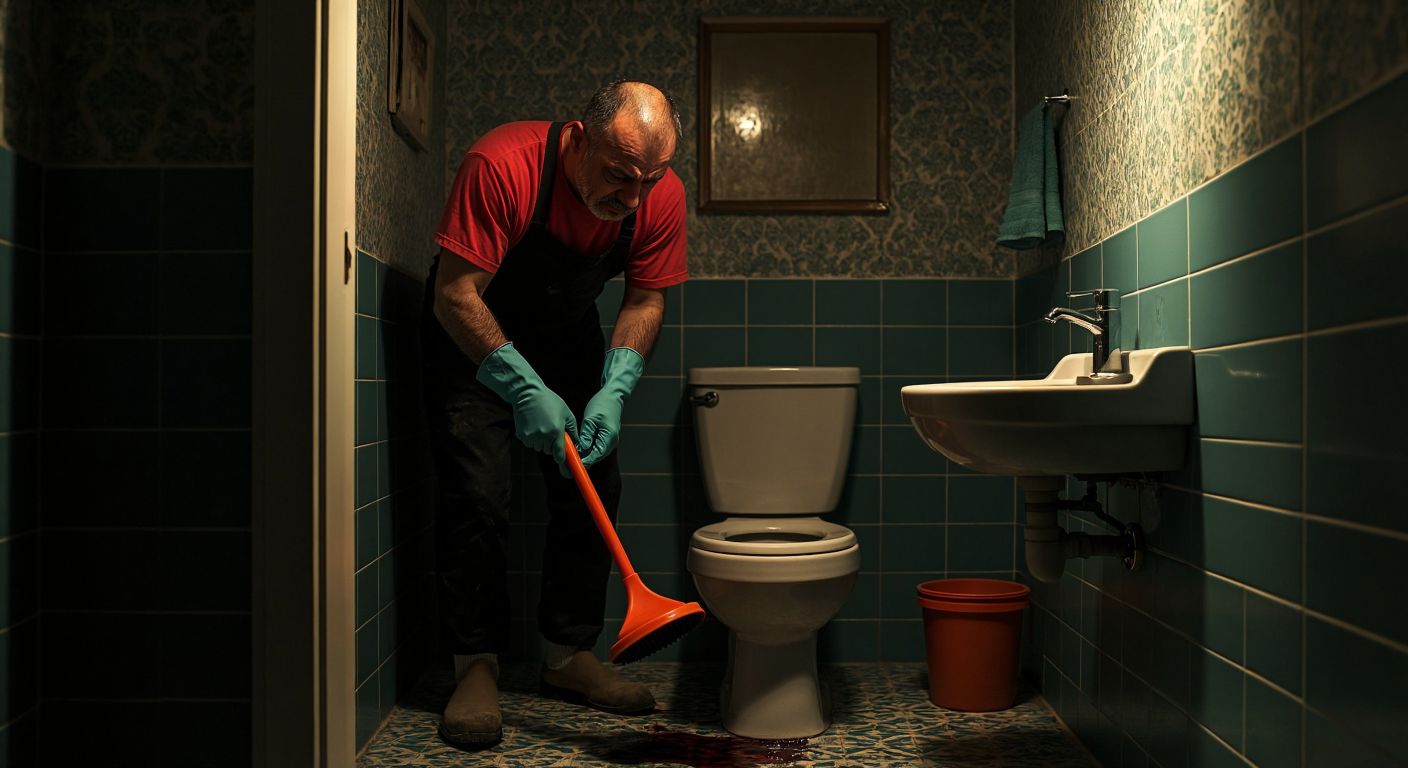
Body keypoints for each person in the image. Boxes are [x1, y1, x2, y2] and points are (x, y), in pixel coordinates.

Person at [420, 80, 688, 747]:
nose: (632, 198)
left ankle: (569, 657)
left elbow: (645, 301)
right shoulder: (502, 164)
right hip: (473, 332)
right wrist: (518, 385)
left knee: (597, 484)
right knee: (478, 494)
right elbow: (455, 293)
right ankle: (474, 666)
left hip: (568, 336)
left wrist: (616, 385)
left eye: (647, 181)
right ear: (577, 138)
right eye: (618, 176)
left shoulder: (659, 197)